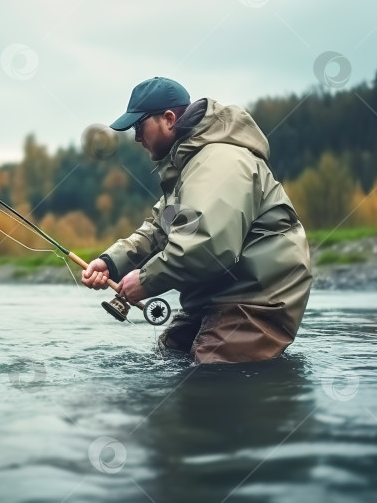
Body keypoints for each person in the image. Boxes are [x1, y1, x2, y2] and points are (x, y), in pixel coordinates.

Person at [82, 77, 312, 364]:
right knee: (171, 356)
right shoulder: (188, 167)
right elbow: (158, 229)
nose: (137, 138)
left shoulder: (220, 162)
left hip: (257, 302)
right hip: (216, 298)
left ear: (168, 119)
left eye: (139, 127)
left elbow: (207, 246)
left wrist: (144, 281)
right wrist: (111, 262)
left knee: (207, 377)